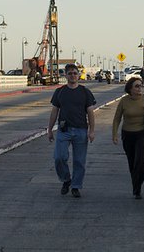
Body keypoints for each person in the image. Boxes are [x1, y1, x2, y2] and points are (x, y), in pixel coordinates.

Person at [47, 63, 96, 198]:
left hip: (80, 130)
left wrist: (92, 131)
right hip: (64, 130)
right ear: (65, 75)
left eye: (75, 73)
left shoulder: (85, 92)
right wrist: (50, 129)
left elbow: (90, 112)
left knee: (79, 161)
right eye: (70, 73)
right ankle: (66, 179)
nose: (73, 75)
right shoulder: (60, 92)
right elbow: (54, 111)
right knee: (59, 158)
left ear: (78, 75)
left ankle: (76, 186)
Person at [112, 77, 144, 199]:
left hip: (143, 133)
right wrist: (114, 134)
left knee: (141, 160)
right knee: (132, 161)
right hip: (127, 134)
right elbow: (117, 118)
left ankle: (137, 187)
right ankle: (135, 184)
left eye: (141, 85)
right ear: (130, 89)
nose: (140, 88)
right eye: (137, 86)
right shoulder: (124, 101)